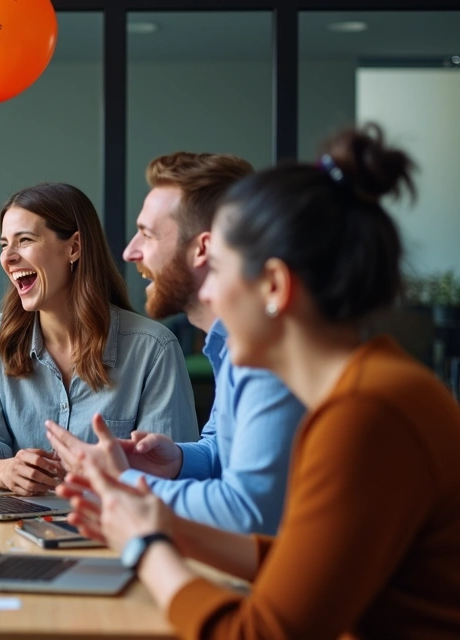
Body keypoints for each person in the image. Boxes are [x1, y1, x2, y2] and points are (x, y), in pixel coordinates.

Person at [59, 125, 460, 638]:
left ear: (275, 286)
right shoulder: (368, 389)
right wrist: (153, 521)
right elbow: (297, 561)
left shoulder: (367, 412)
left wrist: (146, 546)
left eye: (220, 271)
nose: (209, 292)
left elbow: (258, 632)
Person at [44, 153, 304, 534]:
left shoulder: (267, 354)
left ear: (203, 249)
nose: (130, 252)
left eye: (147, 234)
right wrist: (177, 462)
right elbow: (224, 449)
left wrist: (120, 482)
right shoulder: (228, 346)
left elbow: (250, 512)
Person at [0, 183, 197, 497]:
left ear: (74, 247)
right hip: (17, 529)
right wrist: (5, 470)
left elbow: (170, 478)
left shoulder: (154, 349)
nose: (8, 257)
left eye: (25, 240)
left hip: (114, 531)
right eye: (5, 244)